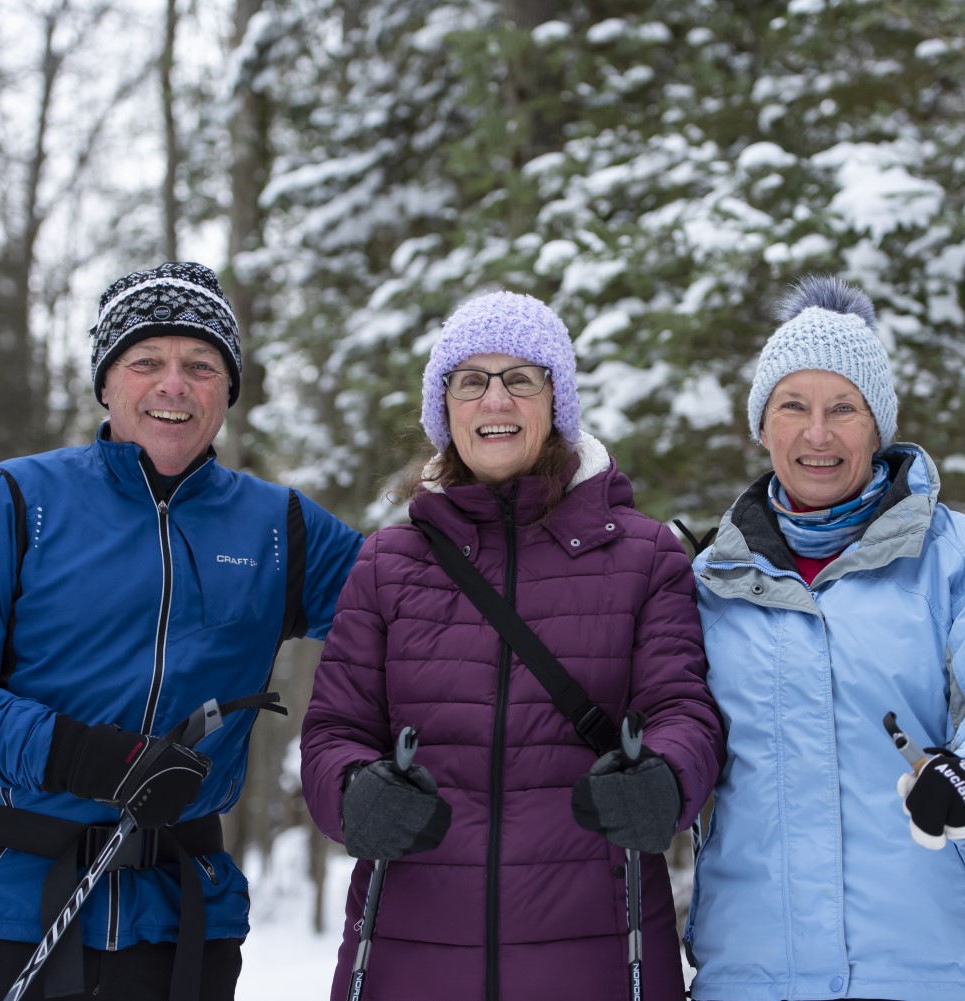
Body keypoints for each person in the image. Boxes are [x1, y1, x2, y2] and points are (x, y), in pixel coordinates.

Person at [0, 261, 364, 1001]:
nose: (173, 384)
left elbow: (421, 616)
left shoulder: (281, 528)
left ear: (227, 392)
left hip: (181, 924)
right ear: (105, 383)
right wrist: (82, 755)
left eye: (201, 365)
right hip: (11, 908)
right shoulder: (19, 499)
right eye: (146, 361)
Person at [300, 290, 724, 1001]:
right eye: (471, 381)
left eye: (519, 378)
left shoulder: (645, 555)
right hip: (410, 953)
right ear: (446, 409)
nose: (494, 399)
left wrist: (666, 778)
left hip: (600, 956)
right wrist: (352, 791)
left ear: (555, 400)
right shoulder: (387, 562)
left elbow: (686, 711)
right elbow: (333, 732)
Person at [683, 275, 965, 1001]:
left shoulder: (961, 557)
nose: (818, 433)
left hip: (936, 973)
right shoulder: (710, 580)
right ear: (761, 424)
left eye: (844, 407)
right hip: (754, 976)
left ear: (878, 425)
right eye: (793, 406)